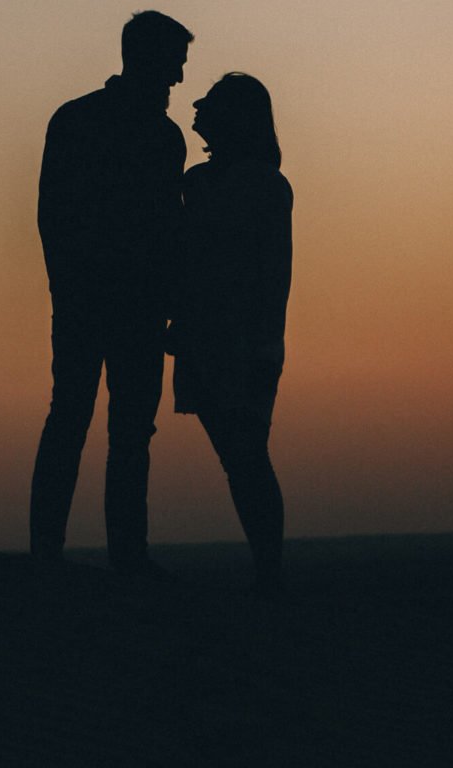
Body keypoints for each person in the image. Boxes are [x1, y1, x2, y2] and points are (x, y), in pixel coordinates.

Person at [30, 10, 194, 573]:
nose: (177, 80)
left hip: (121, 305)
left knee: (95, 424)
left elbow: (165, 229)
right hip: (111, 303)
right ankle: (109, 557)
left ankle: (88, 554)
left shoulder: (88, 121)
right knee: (101, 426)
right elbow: (56, 218)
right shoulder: (95, 124)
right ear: (146, 60)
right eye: (174, 66)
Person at [168, 73, 292, 595]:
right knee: (240, 458)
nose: (197, 109)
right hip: (204, 337)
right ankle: (269, 572)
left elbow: (271, 273)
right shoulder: (198, 181)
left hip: (243, 340)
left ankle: (270, 573)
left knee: (246, 457)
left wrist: (260, 343)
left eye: (212, 105)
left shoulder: (264, 185)